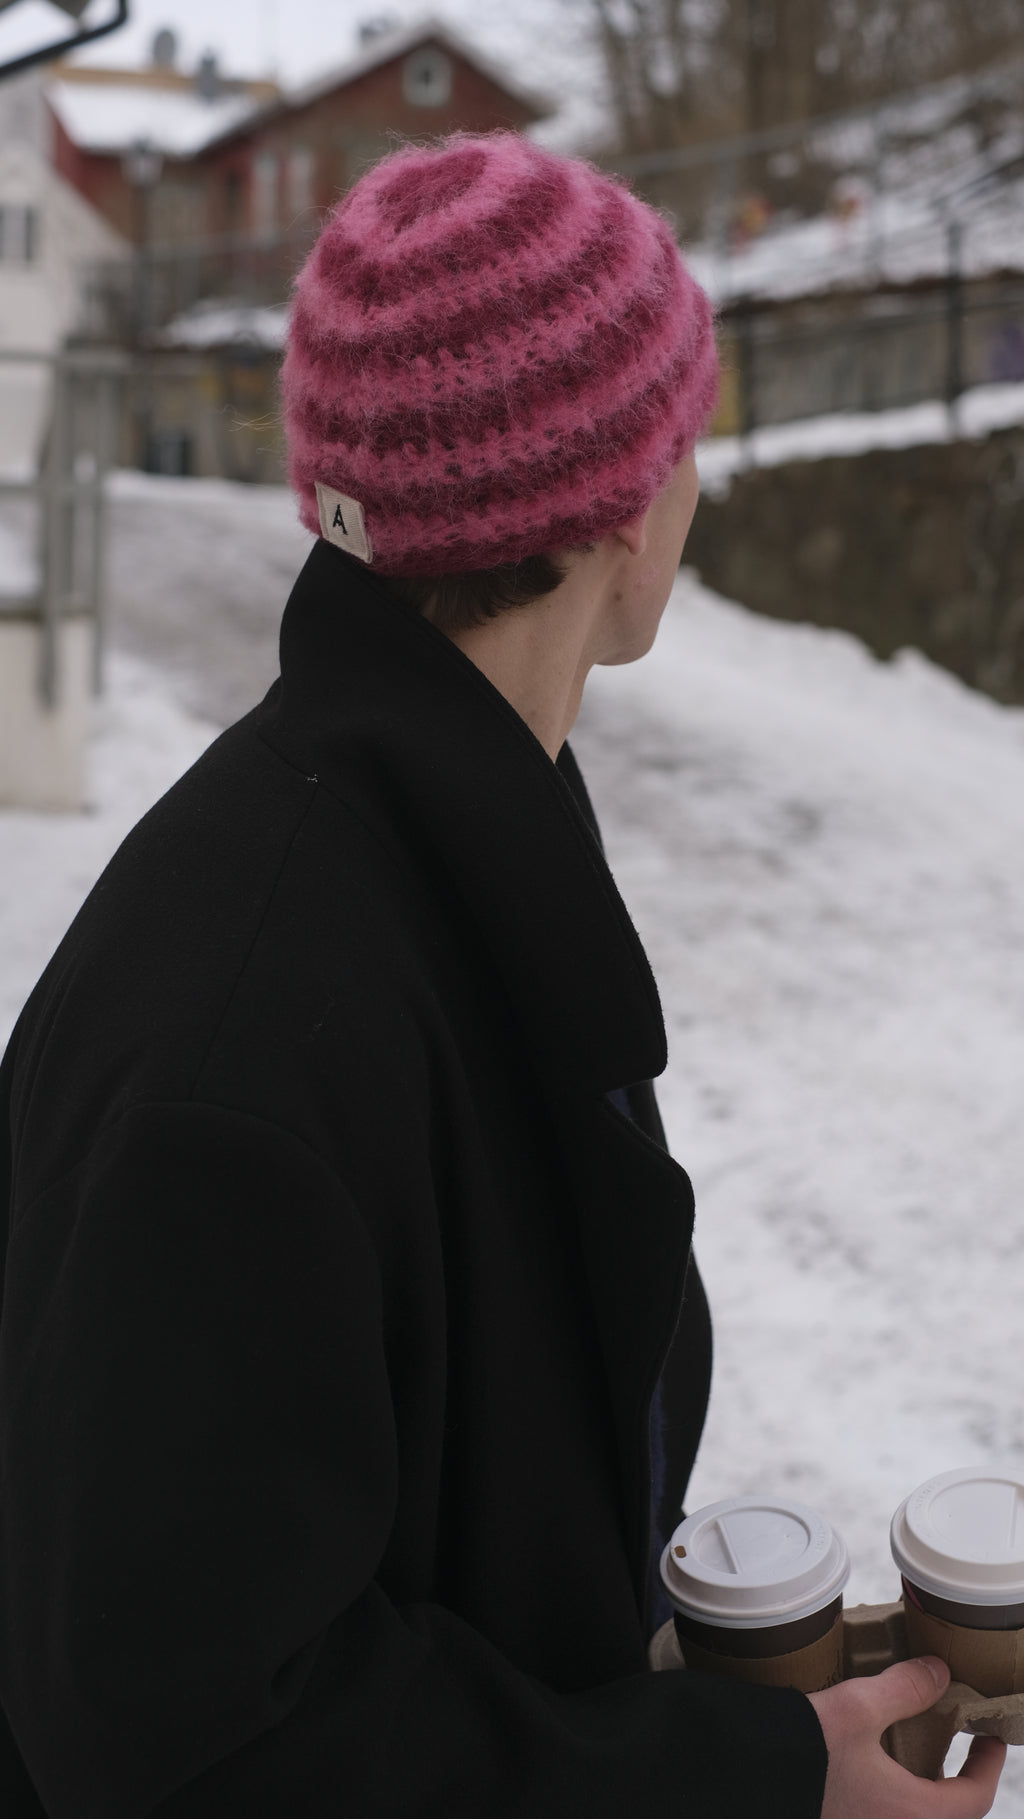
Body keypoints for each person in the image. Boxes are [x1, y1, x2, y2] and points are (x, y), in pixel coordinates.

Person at [0, 133, 1005, 1819]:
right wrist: (730, 1785)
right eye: (687, 438)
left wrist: (690, 1685)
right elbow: (199, 1752)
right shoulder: (246, 1050)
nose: (697, 484)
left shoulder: (424, 835)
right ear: (619, 505)